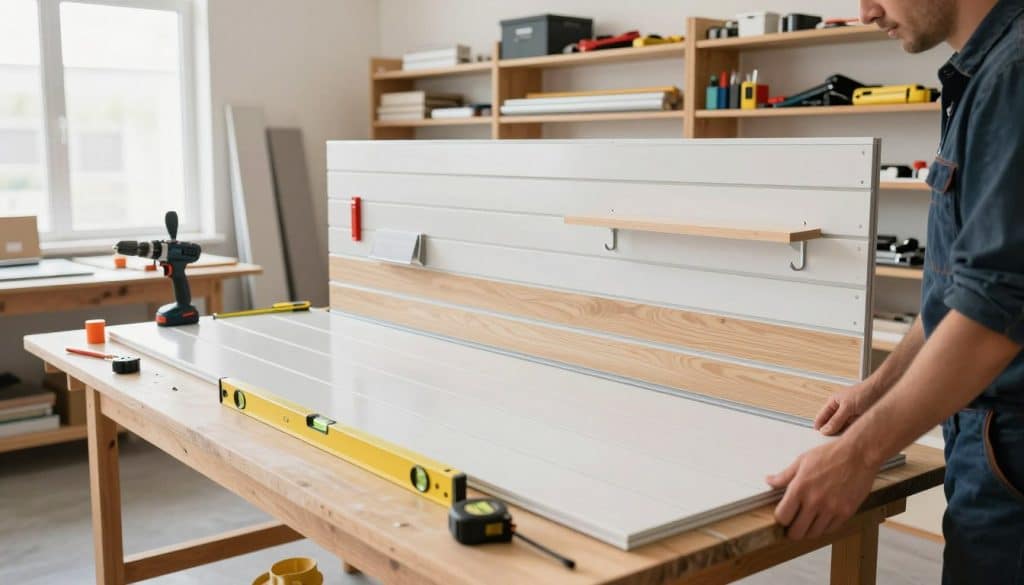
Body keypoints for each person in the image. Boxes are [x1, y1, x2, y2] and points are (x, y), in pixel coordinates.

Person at [765, 0, 1024, 582]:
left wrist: (859, 456)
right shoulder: (980, 72)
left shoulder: (1014, 72)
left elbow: (996, 310)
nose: (866, 11)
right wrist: (875, 392)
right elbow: (959, 287)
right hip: (988, 438)